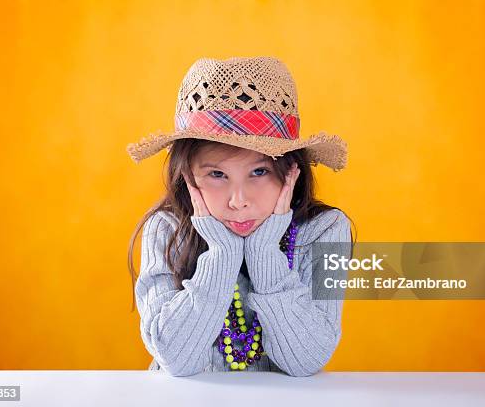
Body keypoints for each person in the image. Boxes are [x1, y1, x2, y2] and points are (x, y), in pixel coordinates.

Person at [126, 56, 357, 376]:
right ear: (188, 176)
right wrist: (222, 253)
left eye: (259, 171)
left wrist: (264, 252)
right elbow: (177, 361)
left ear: (292, 170)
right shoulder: (166, 230)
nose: (238, 201)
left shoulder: (324, 230)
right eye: (217, 174)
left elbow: (307, 360)